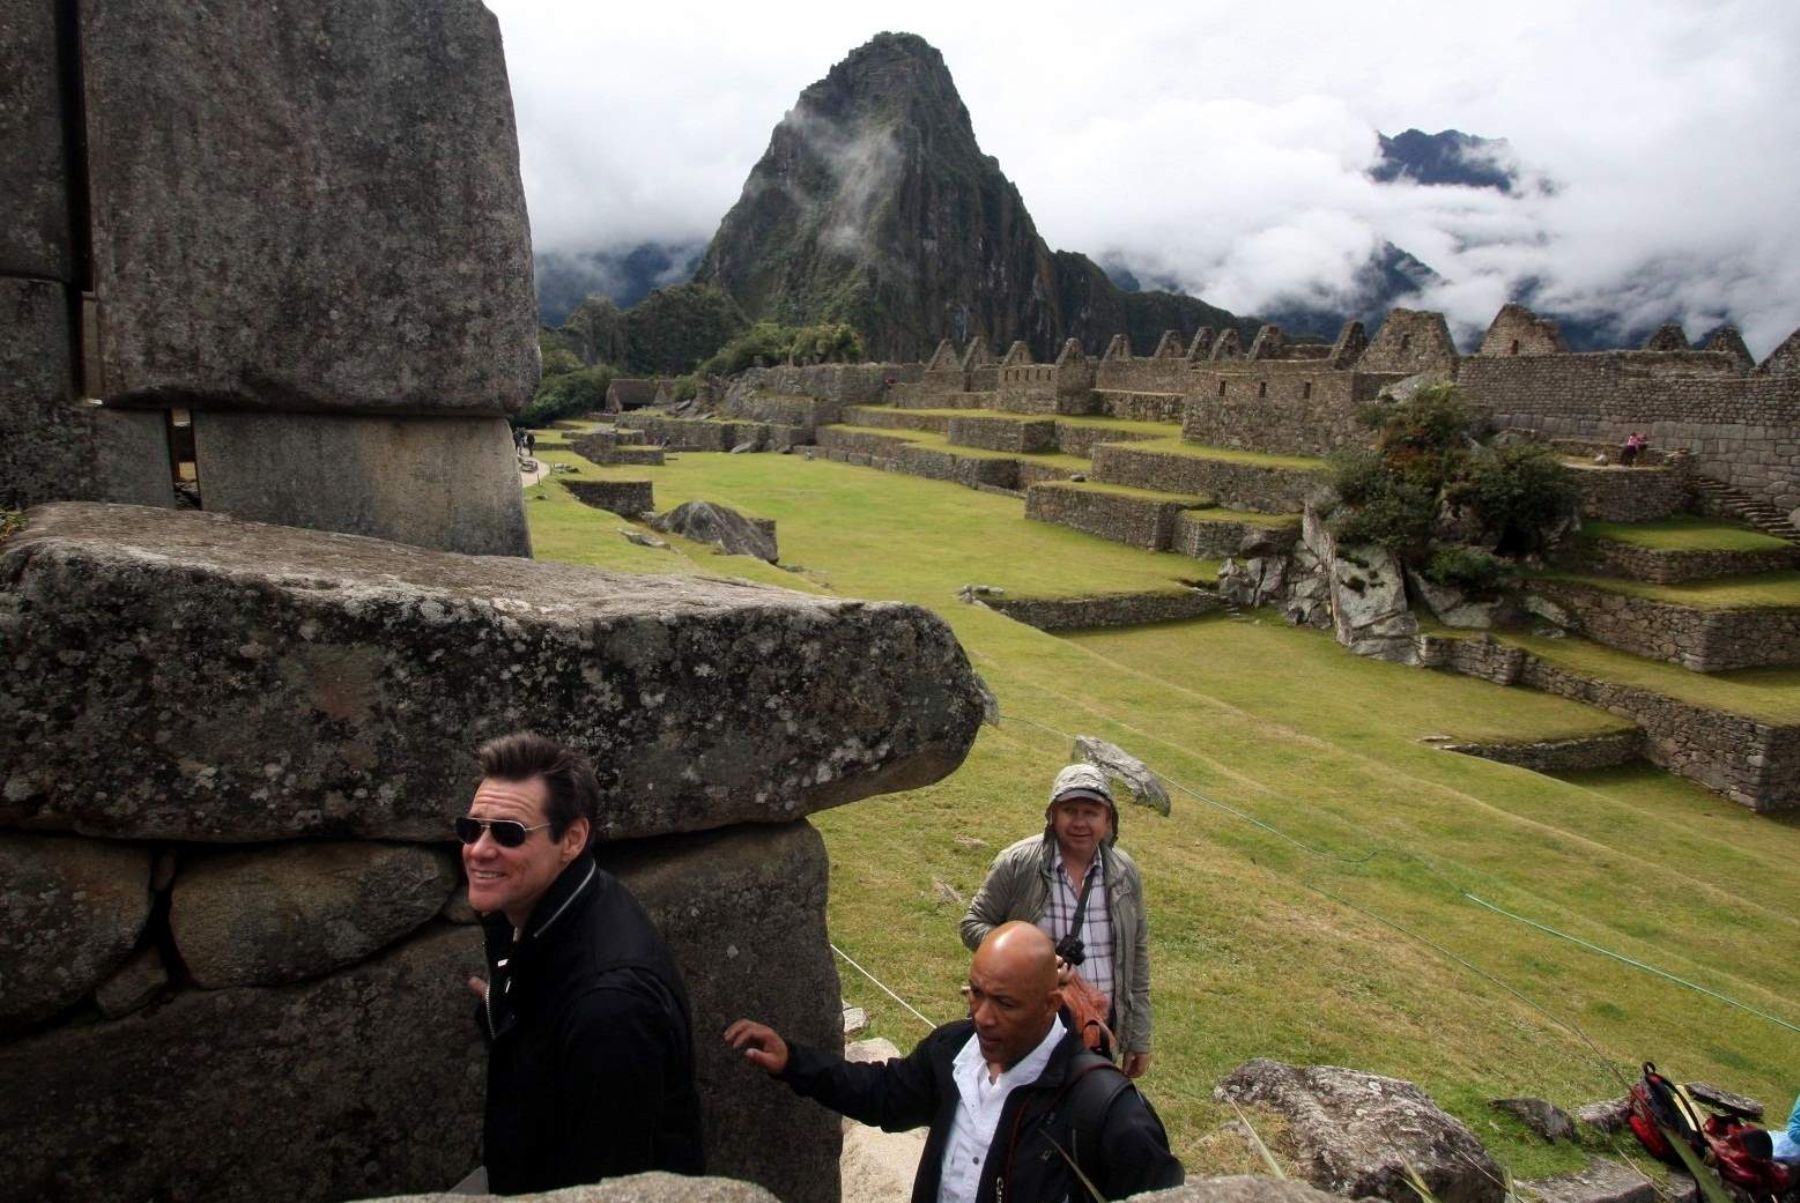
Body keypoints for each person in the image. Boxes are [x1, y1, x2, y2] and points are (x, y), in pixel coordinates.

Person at [725, 923, 1183, 1203]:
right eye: (975, 994)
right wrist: (793, 1062)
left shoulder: (1107, 1111)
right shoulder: (954, 1050)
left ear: (1049, 1004)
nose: (983, 1017)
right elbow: (887, 1096)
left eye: (1005, 1003)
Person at [461, 732, 704, 1194]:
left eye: (508, 833)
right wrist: (505, 1011)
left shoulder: (611, 1008)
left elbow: (605, 1184)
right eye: (471, 828)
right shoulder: (549, 906)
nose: (479, 850)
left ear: (571, 839)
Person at [961, 764, 1153, 1078]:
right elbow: (973, 924)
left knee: (1085, 1119)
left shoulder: (1124, 873)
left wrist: (1139, 1037)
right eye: (1070, 811)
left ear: (1108, 820)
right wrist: (1028, 959)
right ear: (1053, 815)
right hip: (1027, 1027)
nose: (1080, 822)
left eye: (1091, 812)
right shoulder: (1019, 863)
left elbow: (1137, 958)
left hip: (1098, 1031)